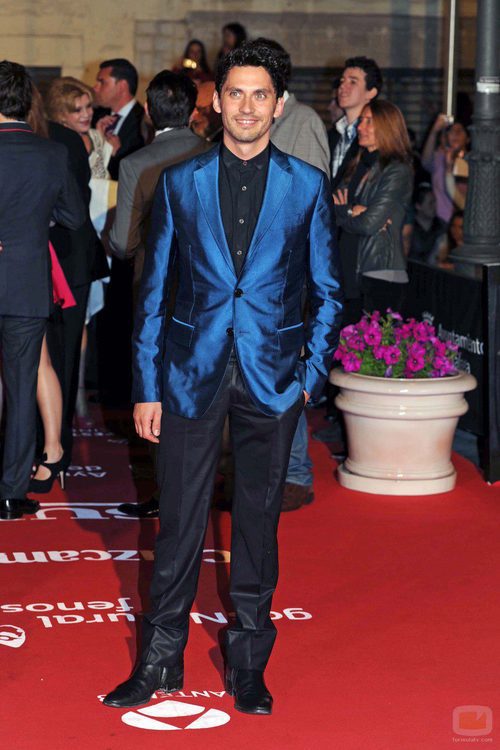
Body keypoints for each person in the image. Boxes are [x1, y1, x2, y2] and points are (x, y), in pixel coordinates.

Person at [103, 41, 342, 714]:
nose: (247, 106)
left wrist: (308, 376)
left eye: (260, 94)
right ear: (217, 101)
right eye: (235, 93)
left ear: (279, 104)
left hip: (274, 380)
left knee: (258, 528)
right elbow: (154, 293)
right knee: (178, 524)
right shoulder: (179, 181)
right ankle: (158, 661)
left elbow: (328, 291)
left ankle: (248, 664)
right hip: (189, 375)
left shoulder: (306, 185)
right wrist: (147, 385)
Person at [108, 70, 209, 519]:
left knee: (157, 387)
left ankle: (168, 494)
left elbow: (123, 243)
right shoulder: (216, 154)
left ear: (148, 111)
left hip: (157, 289)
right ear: (193, 110)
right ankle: (207, 484)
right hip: (212, 289)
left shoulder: (138, 164)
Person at [0, 60, 84, 520]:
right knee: (20, 389)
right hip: (25, 284)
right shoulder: (50, 154)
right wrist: (35, 219)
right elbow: (73, 217)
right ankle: (11, 494)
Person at [333, 99, 413, 316]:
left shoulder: (397, 170)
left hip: (379, 272)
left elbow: (369, 224)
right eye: (361, 120)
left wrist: (345, 211)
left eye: (369, 121)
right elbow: (329, 207)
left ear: (386, 127)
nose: (360, 127)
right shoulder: (358, 163)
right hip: (348, 270)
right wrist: (352, 211)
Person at [329, 56, 382, 190]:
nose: (342, 86)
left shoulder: (374, 137)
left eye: (353, 82)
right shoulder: (333, 133)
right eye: (342, 80)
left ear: (371, 92)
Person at [421, 114, 469, 223]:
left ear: (468, 138)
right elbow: (426, 161)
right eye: (452, 131)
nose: (456, 134)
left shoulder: (472, 162)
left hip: (464, 221)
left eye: (460, 131)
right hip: (441, 220)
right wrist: (434, 131)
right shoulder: (440, 158)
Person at [408, 183, 448, 265]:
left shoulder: (441, 226)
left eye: (435, 201)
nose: (435, 206)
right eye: (430, 203)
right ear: (418, 206)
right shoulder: (409, 227)